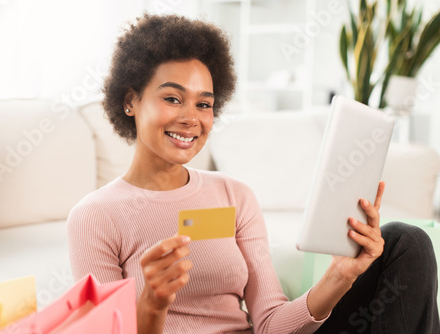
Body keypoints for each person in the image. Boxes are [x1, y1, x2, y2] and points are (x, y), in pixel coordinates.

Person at [67, 13, 439, 333]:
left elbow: (271, 323)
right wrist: (152, 303)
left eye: (204, 104)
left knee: (406, 242)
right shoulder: (95, 215)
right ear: (130, 101)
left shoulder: (234, 195)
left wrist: (341, 275)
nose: (191, 118)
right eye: (172, 98)